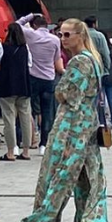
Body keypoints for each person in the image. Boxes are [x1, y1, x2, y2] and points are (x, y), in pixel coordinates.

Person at [22, 19, 109, 222]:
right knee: (85, 177)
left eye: (67, 35)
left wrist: (60, 90)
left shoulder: (79, 62)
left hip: (70, 128)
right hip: (86, 125)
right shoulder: (93, 59)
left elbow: (66, 93)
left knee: (55, 176)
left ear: (80, 35)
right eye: (61, 34)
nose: (63, 39)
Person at [17, 13, 64, 154]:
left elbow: (16, 24)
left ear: (34, 25)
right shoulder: (55, 39)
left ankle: (22, 140)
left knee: (25, 110)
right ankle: (44, 144)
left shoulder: (31, 35)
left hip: (32, 77)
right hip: (49, 78)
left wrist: (29, 16)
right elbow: (57, 58)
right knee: (47, 111)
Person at [0, 22, 33, 162]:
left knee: (9, 119)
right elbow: (30, 64)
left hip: (7, 86)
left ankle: (11, 151)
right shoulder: (25, 48)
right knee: (25, 118)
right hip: (23, 86)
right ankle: (26, 150)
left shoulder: (3, 47)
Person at [84, 16, 112, 128]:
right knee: (107, 98)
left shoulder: (82, 35)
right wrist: (106, 67)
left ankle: (93, 120)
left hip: (85, 68)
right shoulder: (99, 36)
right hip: (99, 68)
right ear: (94, 24)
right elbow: (105, 53)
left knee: (93, 98)